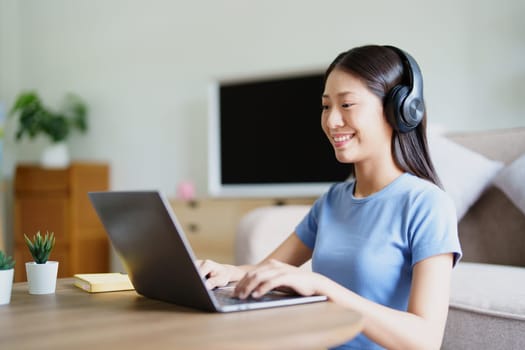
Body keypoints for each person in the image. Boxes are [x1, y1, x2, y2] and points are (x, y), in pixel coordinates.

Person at [198, 45, 462, 350]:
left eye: (347, 104)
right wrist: (226, 272)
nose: (332, 121)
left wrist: (322, 286)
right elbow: (269, 268)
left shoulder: (427, 204)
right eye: (326, 106)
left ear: (398, 110)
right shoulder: (333, 200)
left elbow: (425, 340)